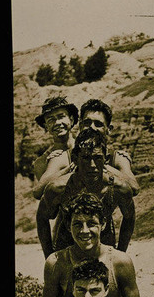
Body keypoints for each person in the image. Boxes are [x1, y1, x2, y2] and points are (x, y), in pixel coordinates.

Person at [41, 192, 144, 297]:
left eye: (91, 224)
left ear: (102, 225)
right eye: (77, 224)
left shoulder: (119, 262)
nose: (84, 231)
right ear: (68, 226)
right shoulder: (56, 263)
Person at [36, 128, 135, 260]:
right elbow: (42, 217)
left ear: (106, 159)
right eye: (86, 158)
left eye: (97, 158)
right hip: (66, 249)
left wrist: (121, 253)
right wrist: (49, 257)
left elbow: (129, 217)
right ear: (75, 158)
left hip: (103, 248)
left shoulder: (118, 188)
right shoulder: (58, 188)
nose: (92, 165)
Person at [33, 98, 139, 199]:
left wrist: (103, 166)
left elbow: (134, 188)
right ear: (80, 125)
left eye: (98, 124)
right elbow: (41, 194)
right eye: (87, 123)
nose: (92, 127)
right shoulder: (56, 159)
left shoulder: (117, 157)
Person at [33, 96, 79, 182]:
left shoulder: (86, 148)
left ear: (71, 120)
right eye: (51, 120)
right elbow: (43, 192)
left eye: (61, 116)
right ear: (46, 126)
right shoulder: (41, 163)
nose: (57, 123)